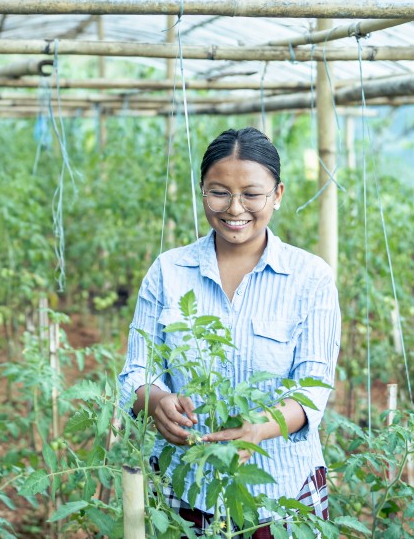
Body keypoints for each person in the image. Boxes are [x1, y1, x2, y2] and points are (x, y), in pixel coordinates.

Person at [118, 127, 341, 535]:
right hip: (183, 489)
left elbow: (313, 388)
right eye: (218, 192)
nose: (234, 208)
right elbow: (137, 370)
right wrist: (157, 401)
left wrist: (261, 428)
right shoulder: (168, 272)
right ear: (202, 191)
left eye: (252, 194)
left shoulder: (311, 278)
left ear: (277, 194)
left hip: (282, 494)